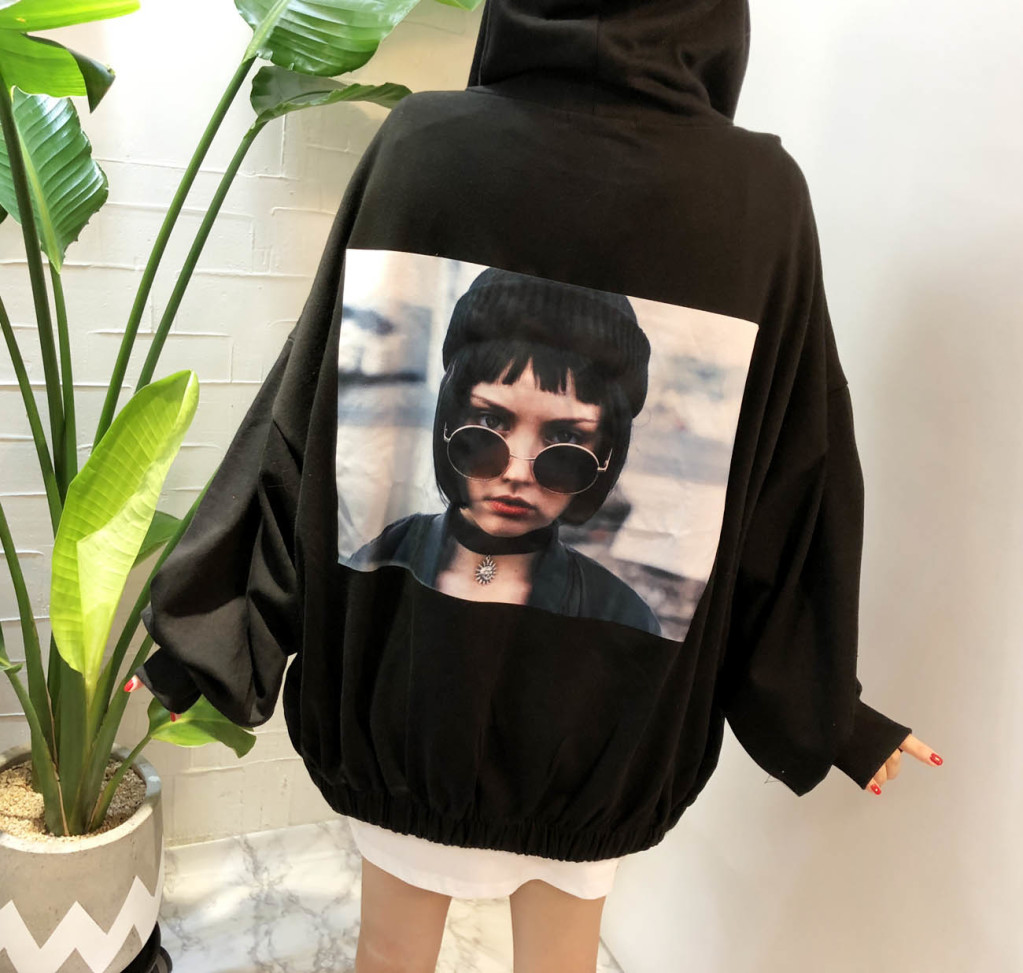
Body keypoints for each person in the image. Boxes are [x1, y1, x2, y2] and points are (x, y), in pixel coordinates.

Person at [130, 0, 943, 968]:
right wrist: (827, 715)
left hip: (408, 706)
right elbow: (795, 478)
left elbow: (303, 415)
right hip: (602, 737)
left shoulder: (420, 147)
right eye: (484, 432)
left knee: (391, 955)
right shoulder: (757, 199)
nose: (516, 470)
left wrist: (212, 635)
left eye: (565, 450)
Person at [345, 266, 662, 635]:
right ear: (450, 420)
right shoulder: (384, 558)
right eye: (491, 422)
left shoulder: (621, 619)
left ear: (604, 454)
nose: (517, 473)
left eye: (566, 437)